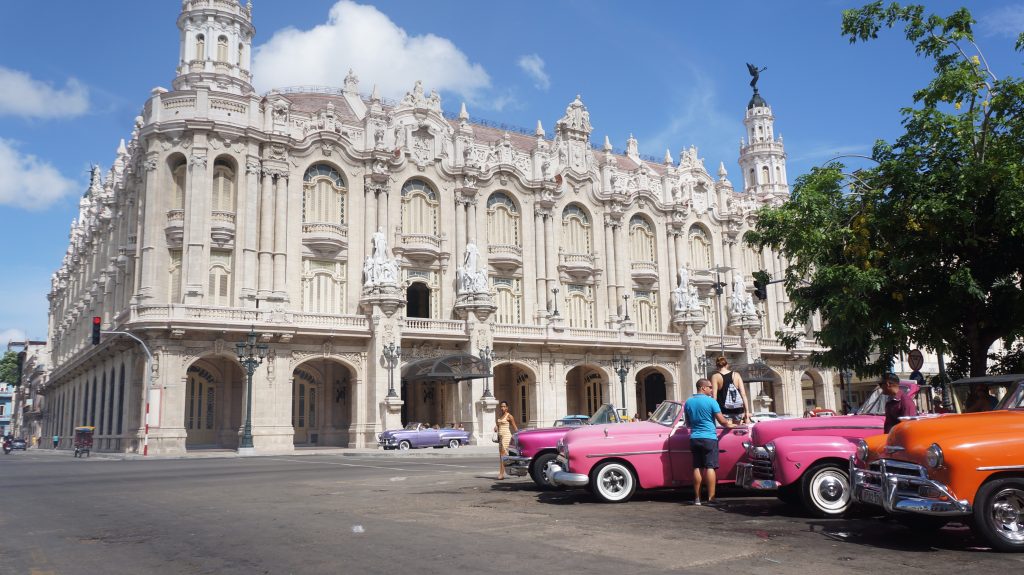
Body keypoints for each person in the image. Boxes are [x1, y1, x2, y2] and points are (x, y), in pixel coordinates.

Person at [684, 378, 736, 505]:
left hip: (694, 438)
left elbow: (688, 423)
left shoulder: (688, 402)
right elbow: (722, 421)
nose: (712, 390)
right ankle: (711, 498)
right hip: (709, 438)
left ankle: (697, 499)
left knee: (697, 467)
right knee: (710, 467)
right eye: (710, 387)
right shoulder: (711, 402)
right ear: (703, 388)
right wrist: (731, 424)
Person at [711, 357, 751, 424]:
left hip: (723, 410)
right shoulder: (736, 375)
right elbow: (743, 394)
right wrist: (747, 411)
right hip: (738, 409)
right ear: (727, 365)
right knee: (736, 432)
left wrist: (713, 411)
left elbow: (714, 397)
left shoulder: (715, 376)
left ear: (717, 366)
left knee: (725, 432)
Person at [494, 400, 519, 480]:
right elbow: (498, 426)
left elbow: (515, 427)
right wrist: (496, 427)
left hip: (506, 437)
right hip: (500, 437)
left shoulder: (509, 416)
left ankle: (501, 474)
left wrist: (518, 436)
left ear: (507, 408)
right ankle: (509, 469)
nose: (502, 408)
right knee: (501, 456)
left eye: (504, 406)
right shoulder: (500, 416)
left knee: (502, 455)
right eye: (501, 406)